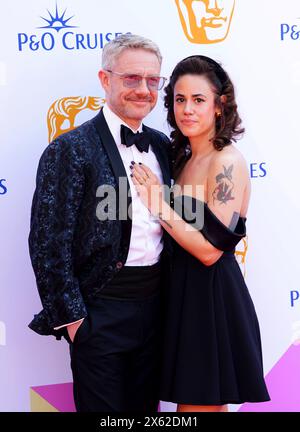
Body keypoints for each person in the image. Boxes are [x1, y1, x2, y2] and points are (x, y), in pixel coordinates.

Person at [28, 34, 172, 412]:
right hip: (99, 311)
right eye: (131, 79)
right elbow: (48, 244)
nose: (143, 90)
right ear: (105, 79)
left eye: (152, 80)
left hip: (157, 310)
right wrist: (75, 320)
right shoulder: (70, 148)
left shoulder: (164, 147)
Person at [131, 55, 270, 412]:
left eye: (198, 100)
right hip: (181, 294)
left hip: (210, 300)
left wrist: (158, 203)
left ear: (220, 106)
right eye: (180, 99)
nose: (187, 109)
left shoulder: (226, 162)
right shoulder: (181, 155)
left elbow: (210, 252)